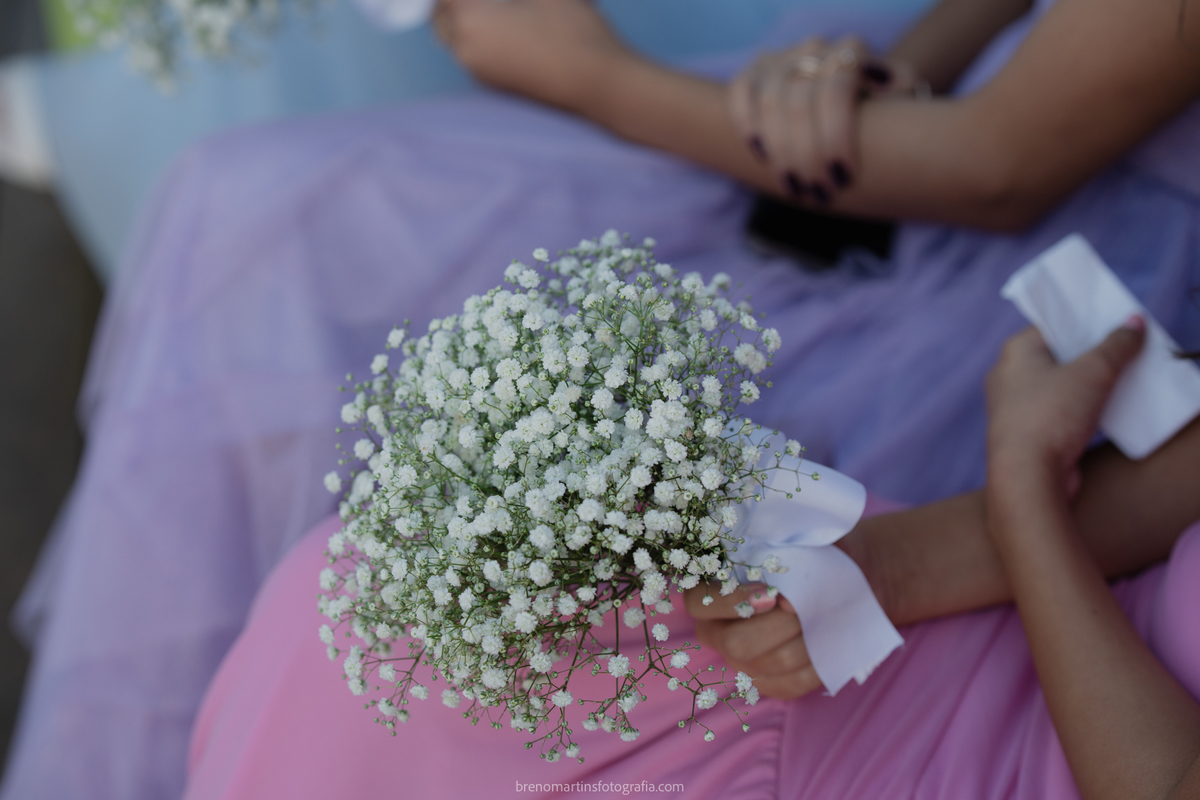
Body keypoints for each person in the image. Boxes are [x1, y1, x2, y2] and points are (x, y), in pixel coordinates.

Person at [6, 0, 1200, 797]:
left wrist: (589, 76)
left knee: (435, 595)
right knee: (251, 220)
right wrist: (888, 74)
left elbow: (999, 165)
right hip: (914, 156)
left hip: (1045, 257)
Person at [181, 323, 1200, 798]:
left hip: (1011, 755)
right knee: (360, 595)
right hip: (1017, 609)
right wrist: (893, 570)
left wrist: (1023, 484)